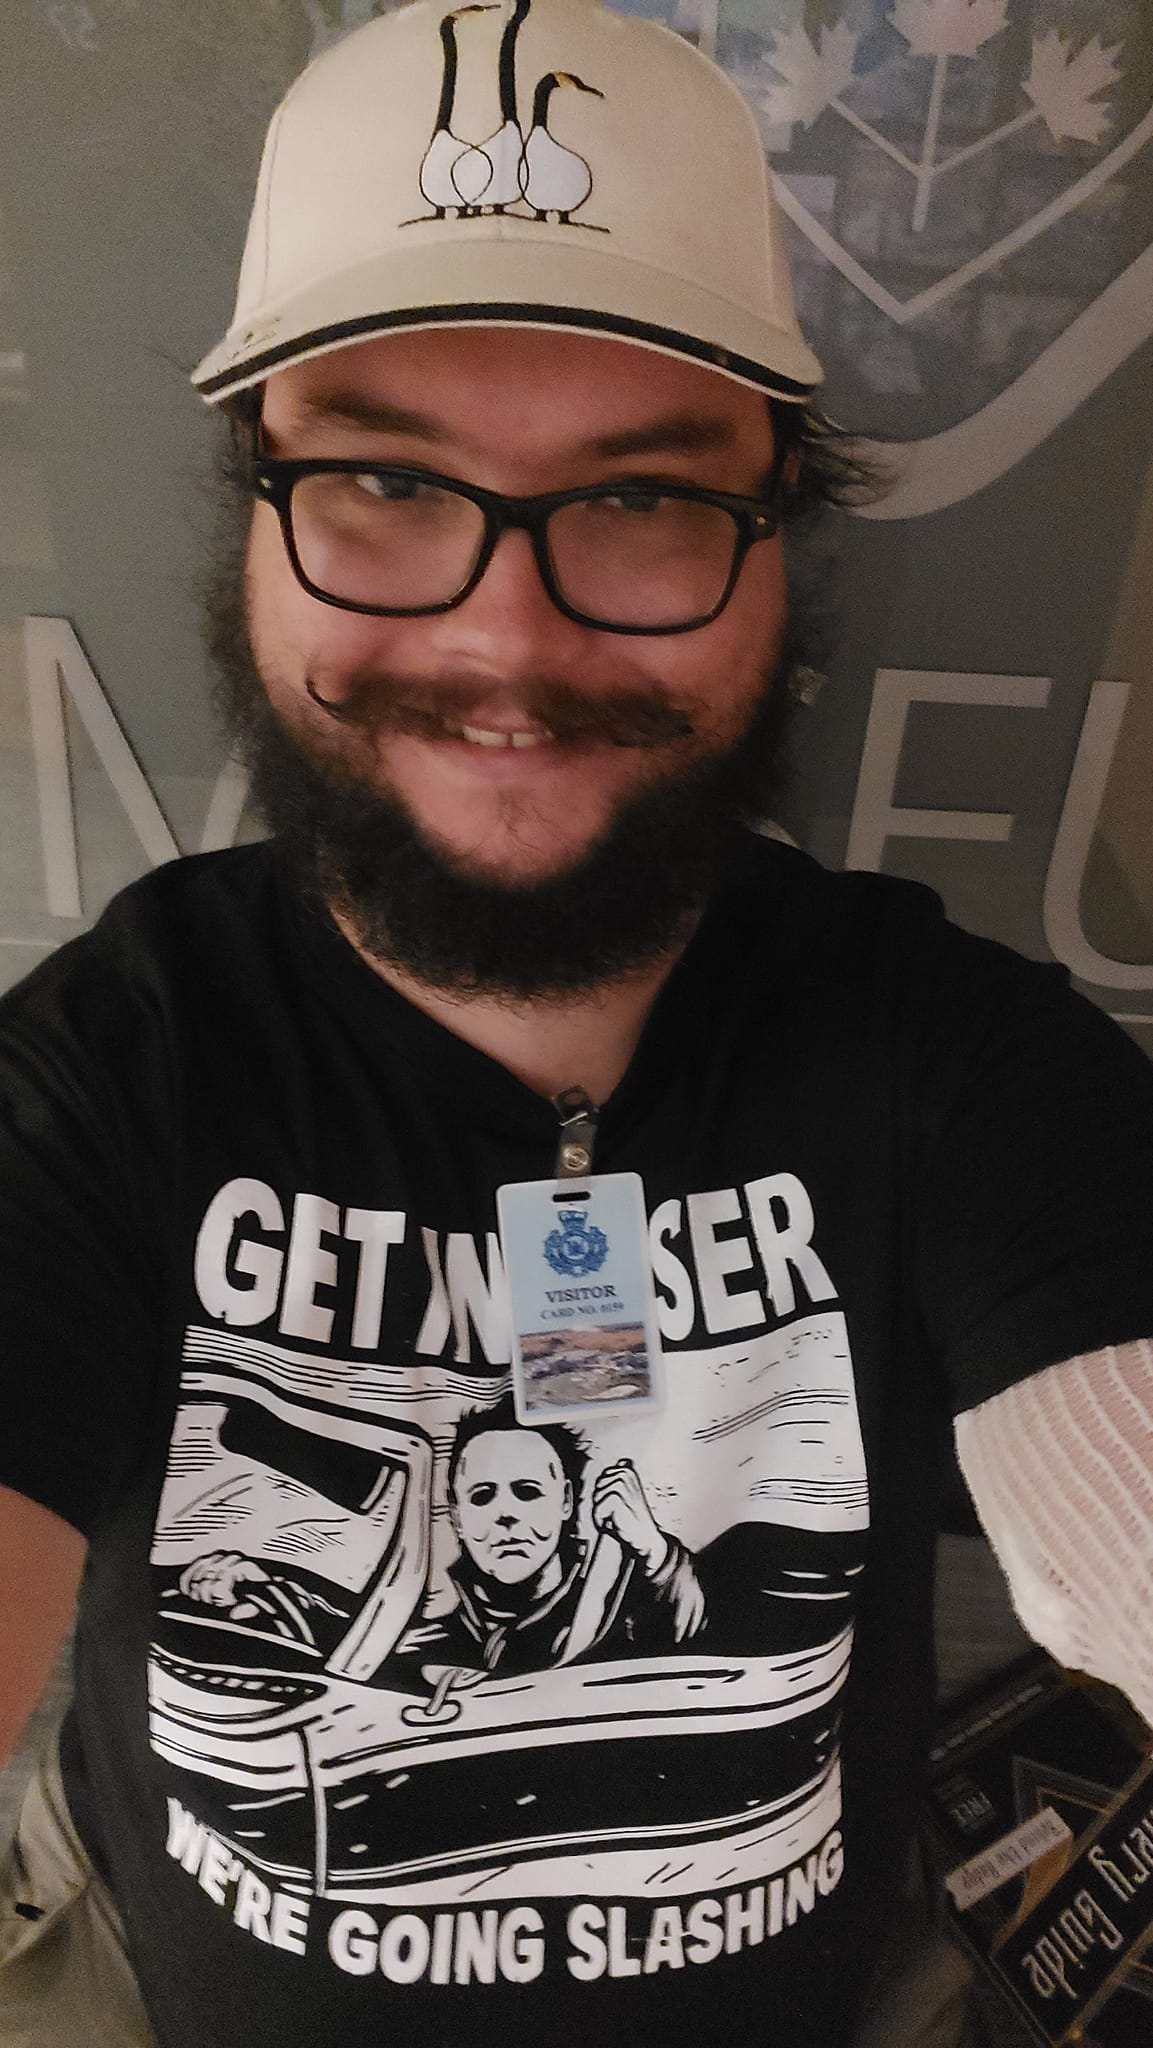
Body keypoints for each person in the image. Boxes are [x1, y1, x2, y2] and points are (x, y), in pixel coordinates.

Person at [1, 2, 1151, 2045]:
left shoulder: (951, 1057)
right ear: (249, 510)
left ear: (777, 542)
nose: (504, 637)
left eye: (636, 499)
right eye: (380, 480)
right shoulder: (110, 1064)